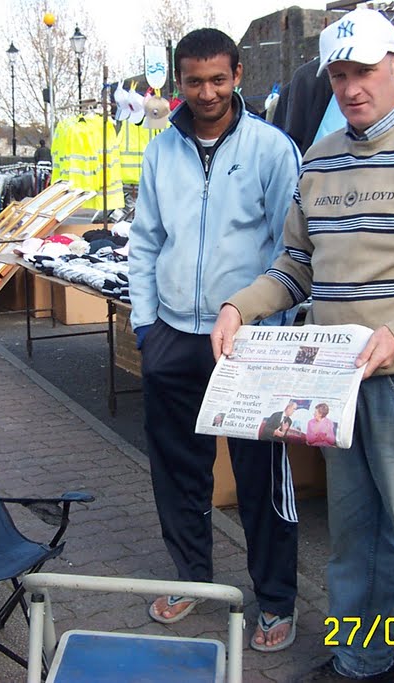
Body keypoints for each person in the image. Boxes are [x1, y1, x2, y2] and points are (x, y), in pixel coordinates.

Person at [211, 9, 394, 681]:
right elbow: (296, 265)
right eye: (339, 75)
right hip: (334, 382)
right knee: (354, 541)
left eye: (364, 72)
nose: (350, 88)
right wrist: (239, 306)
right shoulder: (318, 160)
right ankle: (364, 661)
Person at [129, 27, 303, 653]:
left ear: (237, 77)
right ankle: (192, 580)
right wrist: (146, 325)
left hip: (250, 341)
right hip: (174, 334)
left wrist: (274, 329)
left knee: (261, 477)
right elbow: (146, 240)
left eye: (218, 79)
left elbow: (293, 247)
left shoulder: (271, 149)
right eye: (194, 80)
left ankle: (277, 601)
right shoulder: (159, 153)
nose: (207, 92)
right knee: (179, 472)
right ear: (179, 81)